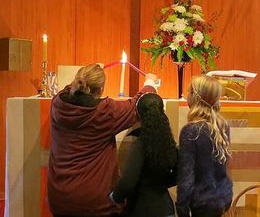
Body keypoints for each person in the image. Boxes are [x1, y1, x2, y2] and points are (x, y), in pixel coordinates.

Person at [47, 63, 158, 217]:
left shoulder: (57, 103)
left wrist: (88, 73)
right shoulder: (104, 112)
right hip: (94, 202)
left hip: (59, 197)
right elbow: (138, 106)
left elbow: (69, 89)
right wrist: (150, 83)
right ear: (100, 89)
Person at [110, 93, 178, 217]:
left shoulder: (139, 144)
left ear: (138, 115)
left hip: (142, 208)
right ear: (162, 112)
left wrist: (115, 197)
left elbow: (127, 182)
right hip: (166, 208)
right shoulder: (169, 142)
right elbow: (177, 174)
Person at [176, 75, 233, 217]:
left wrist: (182, 209)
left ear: (195, 97)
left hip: (202, 204)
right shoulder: (222, 126)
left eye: (188, 91)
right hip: (223, 199)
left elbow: (186, 177)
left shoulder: (190, 131)